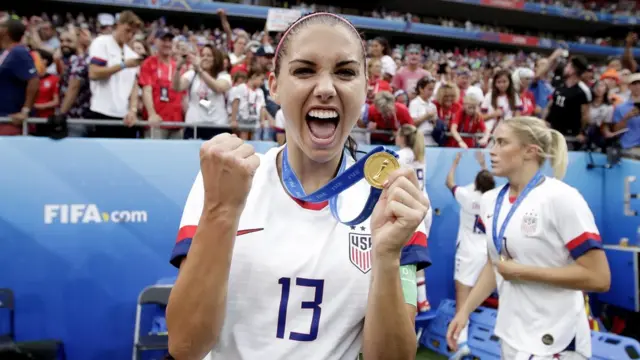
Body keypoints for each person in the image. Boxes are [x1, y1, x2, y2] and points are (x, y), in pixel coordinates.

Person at [166, 12, 431, 360]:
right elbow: (185, 345)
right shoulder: (226, 178)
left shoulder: (392, 200)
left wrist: (386, 257)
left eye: (346, 72)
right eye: (304, 70)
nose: (325, 88)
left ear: (366, 87)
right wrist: (221, 211)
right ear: (274, 86)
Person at [446, 117, 611, 360]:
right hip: (511, 333)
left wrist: (524, 272)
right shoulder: (490, 201)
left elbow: (599, 277)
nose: (492, 150)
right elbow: (496, 265)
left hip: (557, 338)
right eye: (493, 141)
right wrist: (464, 312)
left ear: (530, 151)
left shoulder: (562, 198)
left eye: (502, 142)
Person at [445, 150, 495, 359]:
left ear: (475, 183)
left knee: (462, 297)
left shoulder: (467, 196)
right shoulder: (494, 198)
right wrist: (483, 165)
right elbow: (487, 184)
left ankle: (460, 342)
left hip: (468, 252)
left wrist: (455, 163)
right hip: (487, 253)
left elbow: (449, 182)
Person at [395, 124, 432, 312]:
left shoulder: (403, 155)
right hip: (425, 206)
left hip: (411, 207)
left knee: (407, 258)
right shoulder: (420, 155)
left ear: (402, 136)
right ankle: (423, 301)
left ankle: (410, 304)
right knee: (418, 256)